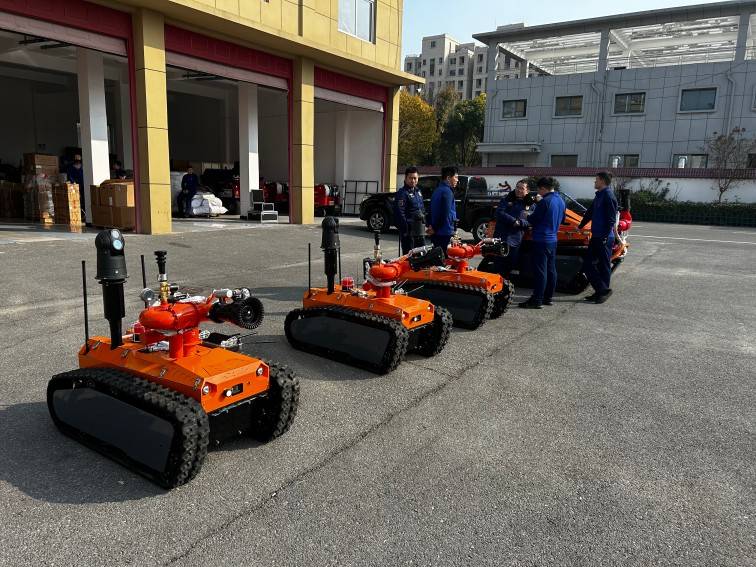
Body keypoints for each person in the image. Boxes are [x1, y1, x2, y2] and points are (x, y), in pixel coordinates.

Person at [519, 177, 566, 309]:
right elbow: (563, 219)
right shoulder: (561, 200)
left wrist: (526, 215)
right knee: (551, 270)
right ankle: (548, 297)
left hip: (541, 239)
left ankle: (537, 299)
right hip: (553, 239)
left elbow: (534, 219)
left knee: (540, 271)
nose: (539, 193)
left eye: (539, 190)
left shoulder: (545, 201)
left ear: (543, 188)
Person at [578, 171, 619, 303]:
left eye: (596, 180)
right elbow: (590, 212)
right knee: (588, 265)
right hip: (597, 235)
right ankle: (601, 290)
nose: (594, 182)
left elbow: (611, 219)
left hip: (604, 237)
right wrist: (580, 226)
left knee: (603, 266)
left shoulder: (608, 195)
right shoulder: (599, 195)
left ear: (602, 181)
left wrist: (605, 237)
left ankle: (602, 292)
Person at [489, 178, 533, 277]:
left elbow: (531, 221)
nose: (518, 190)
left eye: (522, 188)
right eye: (517, 187)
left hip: (516, 240)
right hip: (501, 237)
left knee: (510, 265)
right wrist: (513, 221)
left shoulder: (530, 204)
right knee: (498, 265)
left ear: (527, 191)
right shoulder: (507, 199)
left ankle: (506, 283)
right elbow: (499, 213)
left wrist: (520, 223)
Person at [393, 166, 425, 254]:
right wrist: (405, 230)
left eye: (415, 178)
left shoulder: (418, 191)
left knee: (421, 256)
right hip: (409, 233)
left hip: (419, 230)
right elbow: (399, 213)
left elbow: (422, 209)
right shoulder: (402, 193)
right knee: (410, 257)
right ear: (405, 178)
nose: (413, 180)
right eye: (410, 178)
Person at [428, 165, 459, 253]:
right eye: (456, 177)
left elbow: (430, 210)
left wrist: (431, 226)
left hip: (437, 232)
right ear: (448, 178)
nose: (457, 180)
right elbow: (445, 213)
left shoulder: (437, 190)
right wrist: (435, 228)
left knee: (437, 256)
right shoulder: (447, 192)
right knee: (445, 258)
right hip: (445, 232)